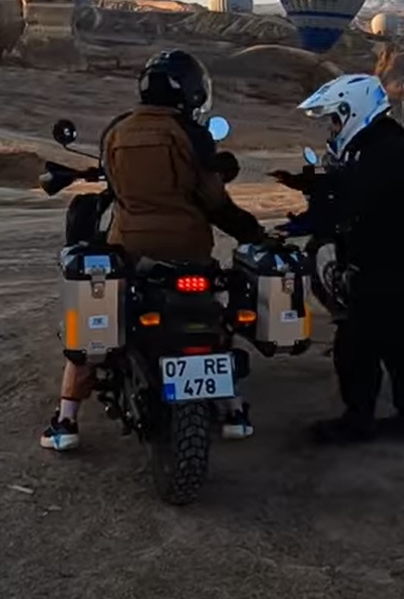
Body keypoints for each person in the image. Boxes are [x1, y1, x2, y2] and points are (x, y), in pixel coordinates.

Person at [41, 50, 269, 452]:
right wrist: (252, 232)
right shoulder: (193, 135)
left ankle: (65, 421)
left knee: (97, 321)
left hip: (131, 249)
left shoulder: (117, 131)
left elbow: (113, 182)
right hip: (190, 251)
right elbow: (214, 201)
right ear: (194, 92)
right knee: (216, 317)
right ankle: (233, 410)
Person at [269, 74, 404, 445]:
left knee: (360, 343)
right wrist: (306, 183)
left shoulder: (386, 150)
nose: (331, 127)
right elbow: (346, 182)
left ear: (352, 111)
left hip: (394, 261)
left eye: (333, 118)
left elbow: (353, 199)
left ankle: (360, 420)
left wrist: (303, 224)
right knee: (401, 340)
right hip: (397, 257)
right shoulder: (375, 143)